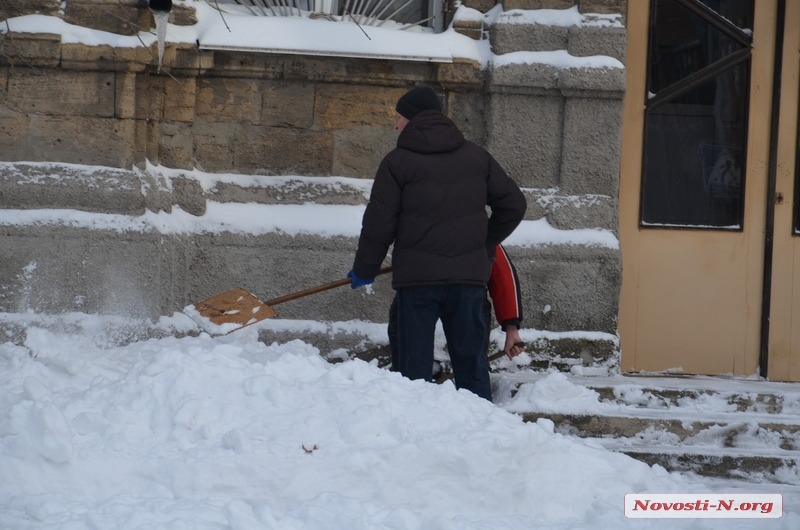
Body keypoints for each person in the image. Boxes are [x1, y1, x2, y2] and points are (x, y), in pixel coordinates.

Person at [348, 86, 527, 401]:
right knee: (471, 363)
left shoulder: (397, 162)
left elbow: (379, 224)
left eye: (399, 117)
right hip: (467, 281)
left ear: (413, 119)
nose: (395, 125)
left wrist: (365, 268)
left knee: (411, 367)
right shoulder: (477, 157)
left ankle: (413, 429)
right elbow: (514, 205)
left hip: (417, 284)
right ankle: (480, 429)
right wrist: (482, 242)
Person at [388, 244, 525, 378]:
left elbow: (501, 272)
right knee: (409, 367)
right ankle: (408, 380)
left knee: (472, 368)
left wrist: (511, 327)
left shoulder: (476, 225)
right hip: (423, 284)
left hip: (461, 288)